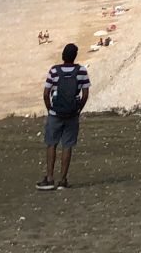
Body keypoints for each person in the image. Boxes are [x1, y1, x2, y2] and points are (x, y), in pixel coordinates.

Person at [39, 43, 89, 190]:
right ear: (75, 56)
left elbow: (46, 93)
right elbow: (85, 94)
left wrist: (50, 109)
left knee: (51, 144)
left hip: (55, 113)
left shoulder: (54, 70)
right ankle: (63, 180)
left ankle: (49, 178)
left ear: (63, 55)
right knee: (67, 146)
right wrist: (78, 109)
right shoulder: (81, 71)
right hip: (72, 114)